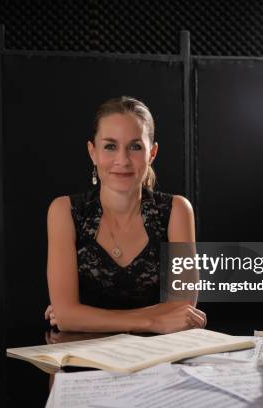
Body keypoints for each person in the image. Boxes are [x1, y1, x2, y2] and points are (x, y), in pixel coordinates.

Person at [45, 96, 206, 334]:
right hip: (84, 359)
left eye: (135, 146)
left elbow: (183, 306)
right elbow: (68, 317)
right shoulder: (63, 211)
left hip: (159, 359)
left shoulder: (177, 210)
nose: (122, 160)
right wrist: (153, 320)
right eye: (110, 146)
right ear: (93, 152)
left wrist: (82, 315)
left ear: (152, 153)